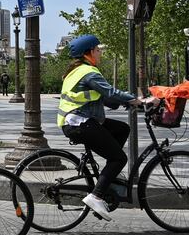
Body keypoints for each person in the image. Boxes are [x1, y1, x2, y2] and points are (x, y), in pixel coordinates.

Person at [57, 34, 155, 221]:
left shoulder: (78, 71)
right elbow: (111, 92)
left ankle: (106, 176)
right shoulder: (88, 72)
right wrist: (140, 100)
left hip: (78, 121)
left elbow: (105, 98)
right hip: (80, 123)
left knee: (122, 129)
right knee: (119, 158)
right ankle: (96, 195)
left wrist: (130, 103)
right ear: (90, 52)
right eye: (98, 49)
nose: (100, 52)